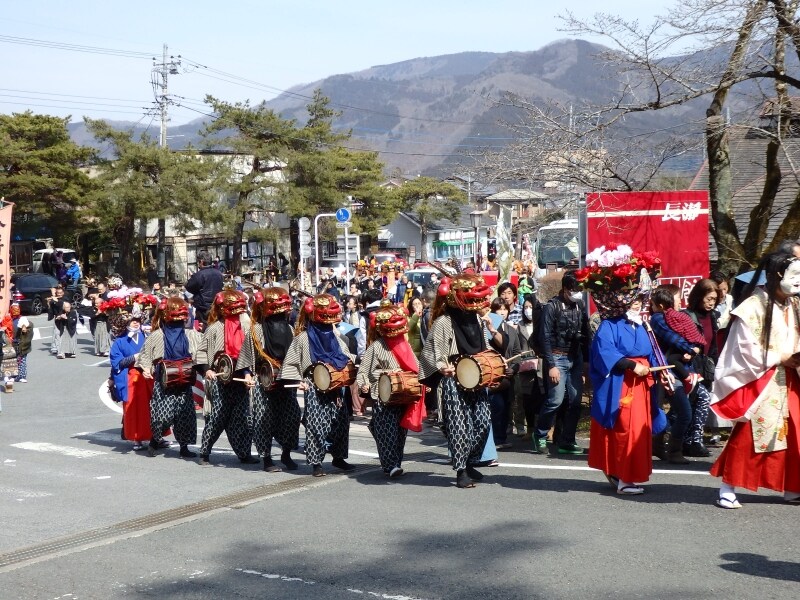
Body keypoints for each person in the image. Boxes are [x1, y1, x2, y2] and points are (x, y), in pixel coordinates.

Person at [709, 251, 800, 509]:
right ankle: (728, 486)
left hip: (790, 376)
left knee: (795, 432)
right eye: (795, 275)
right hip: (763, 378)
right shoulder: (752, 306)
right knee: (751, 435)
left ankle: (792, 486)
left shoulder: (793, 304)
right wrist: (779, 356)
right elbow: (743, 347)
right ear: (777, 275)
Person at [578, 244, 665, 495]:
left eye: (641, 299)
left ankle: (629, 474)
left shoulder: (642, 325)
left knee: (640, 430)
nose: (638, 304)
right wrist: (630, 365)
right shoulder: (609, 325)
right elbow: (605, 354)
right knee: (625, 428)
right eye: (634, 299)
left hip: (642, 384)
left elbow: (651, 352)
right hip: (622, 385)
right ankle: (624, 477)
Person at [419, 273, 495, 488]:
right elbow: (434, 352)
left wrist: (493, 364)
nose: (474, 303)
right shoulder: (443, 322)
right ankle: (461, 470)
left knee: (482, 422)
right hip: (452, 379)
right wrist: (443, 366)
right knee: (459, 426)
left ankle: (469, 461)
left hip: (476, 378)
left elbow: (485, 347)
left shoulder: (477, 319)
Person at [280, 293, 356, 477]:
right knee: (315, 424)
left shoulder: (335, 337)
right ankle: (316, 462)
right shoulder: (302, 338)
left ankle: (338, 457)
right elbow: (290, 363)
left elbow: (347, 356)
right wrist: (298, 381)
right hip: (313, 384)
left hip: (336, 385)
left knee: (341, 422)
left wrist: (351, 365)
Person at [357, 301, 424, 477]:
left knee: (400, 431)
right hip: (383, 394)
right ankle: (390, 465)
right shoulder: (376, 346)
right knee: (387, 430)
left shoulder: (405, 344)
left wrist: (421, 383)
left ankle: (396, 462)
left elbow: (415, 367)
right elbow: (363, 370)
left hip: (402, 394)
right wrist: (364, 382)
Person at [240, 287, 302, 472]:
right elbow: (246, 355)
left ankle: (286, 453)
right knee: (263, 418)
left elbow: (297, 354)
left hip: (285, 380)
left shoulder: (289, 328)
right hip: (264, 380)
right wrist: (247, 374)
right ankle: (266, 458)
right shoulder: (257, 330)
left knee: (292, 416)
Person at [195, 289, 259, 466]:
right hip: (220, 378)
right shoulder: (214, 328)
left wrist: (248, 373)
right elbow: (201, 351)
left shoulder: (247, 327)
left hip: (241, 378)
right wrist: (206, 369)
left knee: (242, 418)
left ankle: (244, 453)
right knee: (216, 417)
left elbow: (250, 354)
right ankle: (204, 453)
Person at [137, 296, 202, 459]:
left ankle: (184, 447)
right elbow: (145, 355)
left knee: (185, 415)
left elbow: (202, 352)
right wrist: (146, 368)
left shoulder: (191, 334)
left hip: (185, 380)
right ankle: (154, 440)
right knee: (162, 415)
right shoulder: (157, 335)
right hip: (164, 380)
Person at [534, 272, 589, 455]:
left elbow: (585, 333)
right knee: (555, 400)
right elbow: (545, 337)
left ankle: (567, 440)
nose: (577, 294)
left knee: (575, 402)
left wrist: (585, 362)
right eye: (574, 290)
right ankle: (540, 434)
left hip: (575, 358)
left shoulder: (580, 305)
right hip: (557, 357)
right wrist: (551, 365)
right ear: (565, 289)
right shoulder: (552, 307)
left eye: (579, 290)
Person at [681, 279, 720, 457]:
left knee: (699, 403)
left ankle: (690, 441)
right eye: (709, 298)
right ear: (699, 296)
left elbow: (713, 346)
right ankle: (690, 441)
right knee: (696, 401)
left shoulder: (712, 317)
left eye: (715, 299)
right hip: (689, 365)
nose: (712, 302)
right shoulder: (686, 316)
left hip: (706, 366)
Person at [110, 312, 158, 452]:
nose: (136, 323)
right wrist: (133, 357)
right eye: (132, 321)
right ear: (126, 323)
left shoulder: (147, 336)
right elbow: (117, 362)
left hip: (149, 375)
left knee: (153, 407)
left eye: (137, 320)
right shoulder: (119, 341)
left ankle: (156, 436)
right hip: (132, 377)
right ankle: (137, 437)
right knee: (134, 409)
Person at [486, 298, 522, 450]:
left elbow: (517, 353)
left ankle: (501, 437)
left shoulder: (512, 330)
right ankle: (495, 438)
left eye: (505, 309)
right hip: (491, 374)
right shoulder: (486, 328)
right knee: (496, 405)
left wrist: (513, 369)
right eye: (498, 309)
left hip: (508, 376)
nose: (502, 312)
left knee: (506, 406)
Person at [185, 250, 224, 325]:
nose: (198, 264)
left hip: (204, 307)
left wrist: (192, 278)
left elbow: (189, 286)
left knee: (204, 328)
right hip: (217, 305)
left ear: (201, 262)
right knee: (217, 325)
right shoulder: (219, 273)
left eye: (198, 262)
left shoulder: (200, 275)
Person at [13, 317, 33, 383]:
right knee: (18, 361)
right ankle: (18, 375)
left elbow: (27, 340)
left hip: (24, 348)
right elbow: (16, 337)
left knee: (22, 362)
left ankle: (22, 376)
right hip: (18, 347)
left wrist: (21, 349)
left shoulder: (29, 329)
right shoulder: (18, 328)